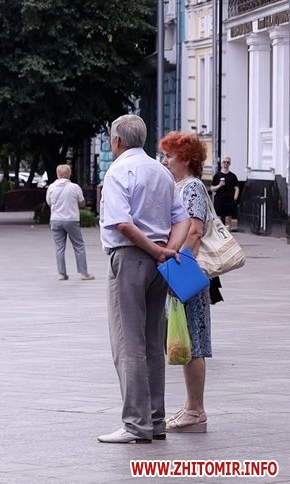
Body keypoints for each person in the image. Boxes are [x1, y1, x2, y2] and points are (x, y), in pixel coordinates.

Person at [97, 114, 190, 444]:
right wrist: (168, 249)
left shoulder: (118, 171)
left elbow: (122, 223)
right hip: (160, 262)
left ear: (117, 141)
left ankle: (136, 424)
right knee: (152, 343)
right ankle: (155, 420)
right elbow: (182, 219)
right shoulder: (161, 171)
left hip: (130, 258)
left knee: (128, 342)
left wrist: (154, 249)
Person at [159, 131, 213, 433]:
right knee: (187, 339)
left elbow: (194, 232)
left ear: (186, 159)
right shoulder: (179, 186)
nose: (165, 161)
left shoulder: (192, 187)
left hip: (187, 273)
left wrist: (178, 275)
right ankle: (191, 405)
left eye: (169, 155)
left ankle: (196, 411)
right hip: (183, 270)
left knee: (193, 340)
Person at [45, 164, 94, 281]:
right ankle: (83, 273)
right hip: (71, 219)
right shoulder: (75, 187)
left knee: (59, 248)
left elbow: (49, 203)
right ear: (69, 174)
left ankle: (62, 274)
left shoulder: (51, 187)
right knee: (79, 246)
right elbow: (82, 203)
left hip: (56, 220)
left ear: (58, 174)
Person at [210, 157, 240, 231]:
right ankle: (219, 234)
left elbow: (237, 188)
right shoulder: (217, 175)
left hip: (229, 200)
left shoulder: (233, 176)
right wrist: (219, 185)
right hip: (219, 200)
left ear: (230, 164)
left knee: (228, 219)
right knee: (218, 219)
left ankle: (228, 234)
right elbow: (212, 189)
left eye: (227, 162)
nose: (226, 164)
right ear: (221, 163)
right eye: (224, 162)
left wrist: (235, 199)